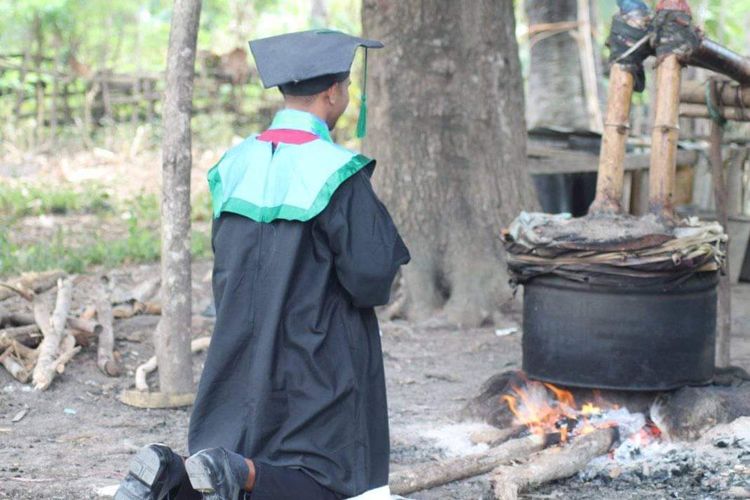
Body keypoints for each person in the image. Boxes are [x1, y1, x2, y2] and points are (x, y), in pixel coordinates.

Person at [115, 29, 410, 500]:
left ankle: (170, 475)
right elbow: (371, 279)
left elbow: (227, 264)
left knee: (222, 459)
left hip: (236, 353)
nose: (348, 96)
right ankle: (238, 473)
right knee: (327, 476)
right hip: (316, 359)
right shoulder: (337, 172)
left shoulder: (234, 164)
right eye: (348, 88)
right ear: (333, 92)